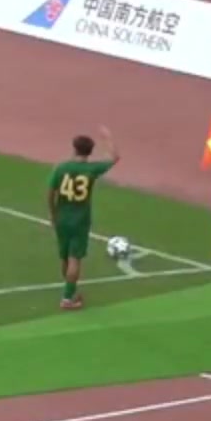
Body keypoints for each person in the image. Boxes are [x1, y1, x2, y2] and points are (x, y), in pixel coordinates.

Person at [48, 129, 119, 311]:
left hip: (62, 219)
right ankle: (67, 299)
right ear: (90, 152)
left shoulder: (61, 168)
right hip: (80, 221)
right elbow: (114, 158)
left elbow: (50, 192)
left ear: (74, 148)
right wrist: (107, 139)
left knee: (65, 257)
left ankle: (70, 292)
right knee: (75, 259)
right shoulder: (91, 169)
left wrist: (53, 214)